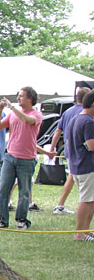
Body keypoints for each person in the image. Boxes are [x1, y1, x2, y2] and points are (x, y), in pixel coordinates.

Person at [0, 87, 56, 229]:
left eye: (21, 96)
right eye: (18, 96)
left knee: (24, 191)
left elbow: (27, 120)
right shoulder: (13, 114)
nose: (18, 98)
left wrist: (11, 108)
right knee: (3, 189)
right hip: (10, 156)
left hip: (27, 159)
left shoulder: (36, 115)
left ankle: (22, 220)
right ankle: (1, 219)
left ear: (30, 99)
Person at [49, 83, 91, 215]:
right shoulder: (86, 115)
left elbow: (58, 131)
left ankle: (60, 204)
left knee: (73, 177)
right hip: (83, 154)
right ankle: (60, 205)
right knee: (83, 189)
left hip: (70, 150)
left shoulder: (68, 112)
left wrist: (52, 148)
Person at [67, 89, 94, 241]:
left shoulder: (75, 119)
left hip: (77, 165)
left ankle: (87, 230)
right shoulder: (89, 121)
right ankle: (80, 233)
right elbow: (91, 145)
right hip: (87, 167)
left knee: (90, 199)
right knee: (86, 200)